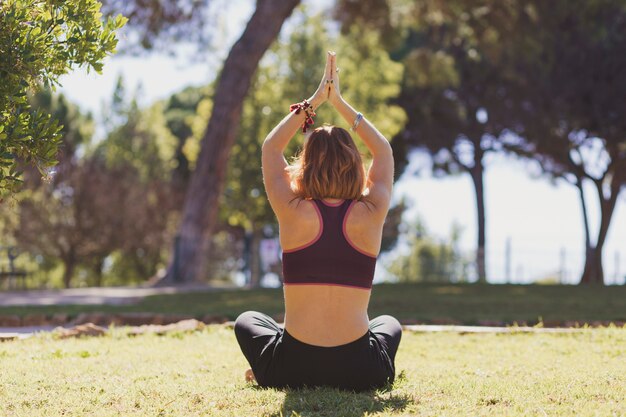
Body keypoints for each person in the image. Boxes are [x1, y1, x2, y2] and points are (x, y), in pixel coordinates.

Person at [234, 51, 402, 392]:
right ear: (355, 164)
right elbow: (383, 151)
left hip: (292, 367)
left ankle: (268, 366)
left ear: (306, 164)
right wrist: (339, 102)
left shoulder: (292, 210)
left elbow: (270, 148)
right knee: (388, 323)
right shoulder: (371, 212)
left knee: (247, 320)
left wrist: (312, 102)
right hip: (362, 371)